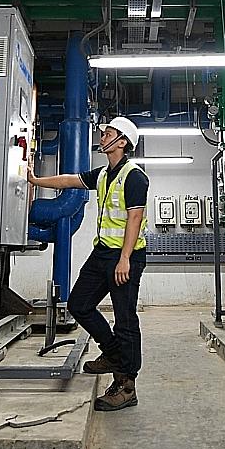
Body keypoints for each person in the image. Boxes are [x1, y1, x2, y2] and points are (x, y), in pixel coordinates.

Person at [28, 116, 148, 412]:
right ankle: (112, 353)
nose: (103, 135)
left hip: (125, 256)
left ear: (122, 142)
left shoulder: (134, 176)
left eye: (108, 133)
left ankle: (126, 385)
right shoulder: (105, 173)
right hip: (102, 253)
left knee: (125, 318)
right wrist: (35, 180)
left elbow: (135, 218)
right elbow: (70, 180)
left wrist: (124, 259)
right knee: (79, 304)